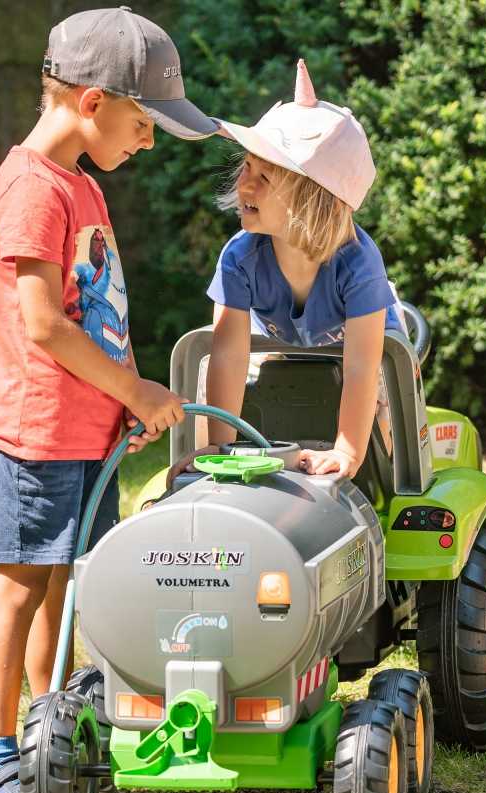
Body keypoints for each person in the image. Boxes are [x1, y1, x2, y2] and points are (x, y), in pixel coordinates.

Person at [0, 8, 217, 793]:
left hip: (86, 427)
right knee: (20, 583)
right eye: (145, 126)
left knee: (72, 580)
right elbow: (44, 325)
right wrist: (133, 388)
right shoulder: (33, 190)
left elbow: (104, 310)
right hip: (36, 430)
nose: (147, 144)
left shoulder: (82, 189)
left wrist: (128, 397)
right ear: (93, 103)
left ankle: (56, 724)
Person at [172, 59, 405, 484]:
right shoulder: (239, 257)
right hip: (280, 343)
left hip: (371, 344)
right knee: (222, 373)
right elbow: (229, 353)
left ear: (313, 201)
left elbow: (359, 367)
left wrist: (347, 451)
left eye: (265, 177)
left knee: (382, 397)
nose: (245, 185)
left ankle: (385, 480)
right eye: (246, 168)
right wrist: (221, 447)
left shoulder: (358, 262)